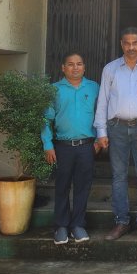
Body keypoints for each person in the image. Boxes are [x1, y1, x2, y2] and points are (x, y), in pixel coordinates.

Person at [94, 27, 137, 241]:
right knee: (119, 176)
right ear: (122, 44)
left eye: (135, 43)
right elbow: (103, 100)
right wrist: (101, 131)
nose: (131, 47)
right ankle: (121, 221)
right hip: (117, 128)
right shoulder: (110, 69)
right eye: (127, 43)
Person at [42, 52, 102, 245]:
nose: (75, 68)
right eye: (70, 64)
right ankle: (61, 225)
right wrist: (48, 145)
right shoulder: (54, 90)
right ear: (63, 67)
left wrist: (98, 139)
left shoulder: (94, 88)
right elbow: (46, 119)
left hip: (86, 146)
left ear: (84, 67)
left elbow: (100, 114)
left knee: (83, 187)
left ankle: (78, 224)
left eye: (79, 64)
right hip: (62, 146)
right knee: (62, 186)